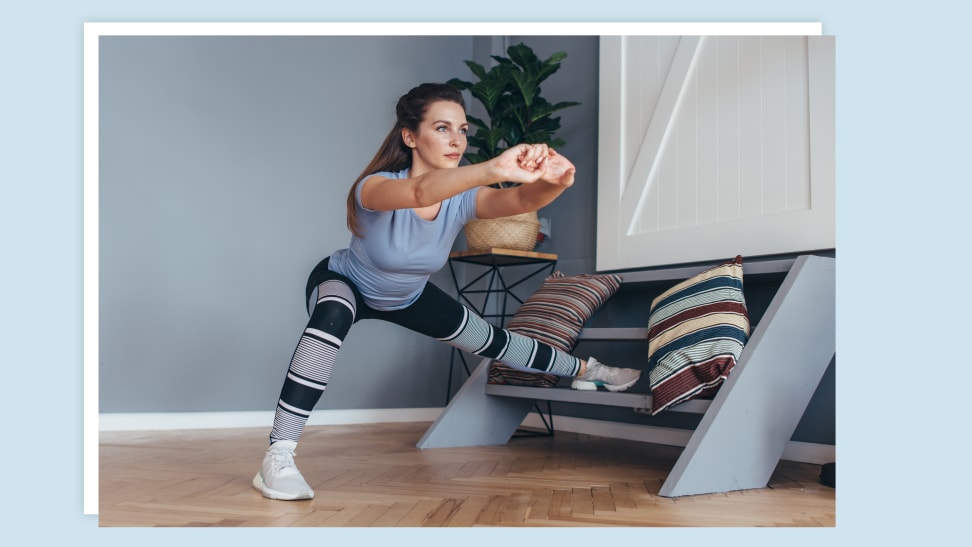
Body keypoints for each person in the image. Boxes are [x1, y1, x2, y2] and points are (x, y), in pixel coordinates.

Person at [253, 83, 642, 501]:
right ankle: (279, 456)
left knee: (496, 343)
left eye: (462, 129)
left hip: (408, 296)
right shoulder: (374, 187)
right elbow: (420, 192)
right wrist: (495, 167)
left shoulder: (462, 199)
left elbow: (519, 200)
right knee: (329, 319)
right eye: (442, 128)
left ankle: (591, 372)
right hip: (346, 282)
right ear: (410, 136)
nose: (456, 140)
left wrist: (557, 180)